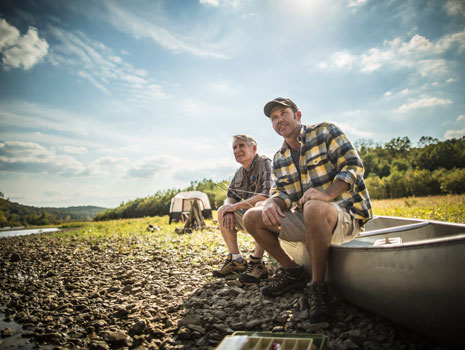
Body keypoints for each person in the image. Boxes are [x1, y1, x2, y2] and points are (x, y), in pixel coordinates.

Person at [243, 97, 372, 324]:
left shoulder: (325, 132)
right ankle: (292, 271)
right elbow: (282, 193)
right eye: (274, 118)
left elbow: (353, 165)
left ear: (298, 115)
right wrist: (273, 202)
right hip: (311, 219)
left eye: (283, 113)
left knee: (313, 205)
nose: (279, 119)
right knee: (253, 216)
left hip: (345, 216)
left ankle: (317, 287)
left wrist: (328, 194)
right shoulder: (280, 157)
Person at [213, 134, 273, 284]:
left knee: (259, 207)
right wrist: (228, 208)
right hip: (248, 216)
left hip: (272, 216)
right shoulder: (239, 172)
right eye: (234, 147)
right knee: (222, 209)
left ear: (254, 148)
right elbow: (230, 195)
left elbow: (266, 196)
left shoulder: (265, 162)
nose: (237, 150)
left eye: (241, 146)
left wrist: (235, 206)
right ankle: (236, 260)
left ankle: (257, 263)